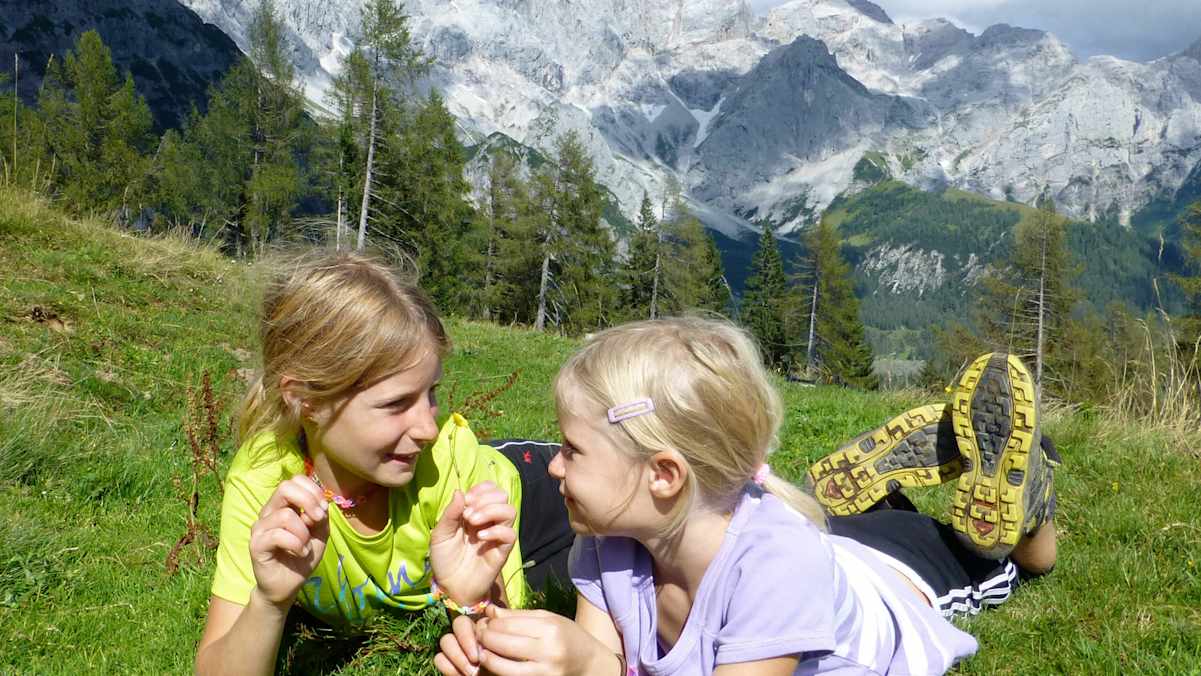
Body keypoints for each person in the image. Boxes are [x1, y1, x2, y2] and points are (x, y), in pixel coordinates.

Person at [435, 320, 1059, 675]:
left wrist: (586, 670)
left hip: (897, 585)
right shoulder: (605, 543)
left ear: (663, 475)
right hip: (795, 544)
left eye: (571, 450)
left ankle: (1032, 504)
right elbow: (606, 656)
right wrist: (481, 617)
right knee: (818, 528)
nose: (555, 471)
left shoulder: (777, 569)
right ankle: (874, 497)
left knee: (991, 553)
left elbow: (598, 668)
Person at [194, 251, 575, 674]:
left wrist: (473, 600)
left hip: (532, 499)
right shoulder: (267, 479)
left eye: (431, 394)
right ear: (306, 400)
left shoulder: (446, 459)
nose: (428, 428)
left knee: (631, 518)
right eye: (396, 404)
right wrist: (268, 602)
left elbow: (506, 645)